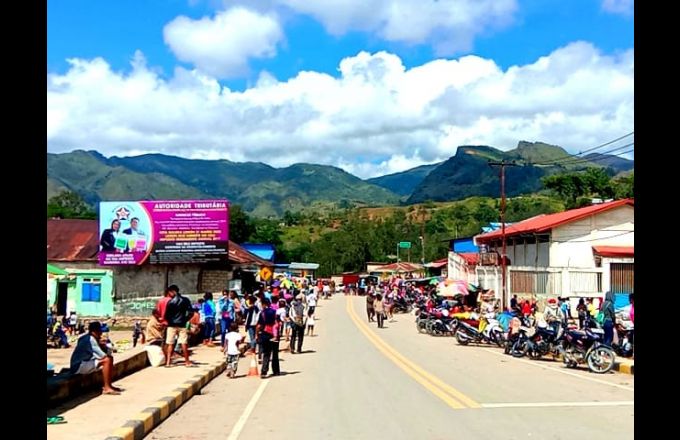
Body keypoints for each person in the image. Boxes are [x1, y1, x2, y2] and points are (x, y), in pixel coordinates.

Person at [70, 321, 121, 395]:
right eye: (100, 331)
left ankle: (109, 385)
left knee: (109, 359)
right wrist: (104, 346)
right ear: (96, 331)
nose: (101, 333)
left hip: (79, 363)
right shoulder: (91, 340)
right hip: (79, 365)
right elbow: (103, 356)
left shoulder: (84, 337)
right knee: (107, 360)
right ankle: (107, 387)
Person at [163, 285, 194, 367]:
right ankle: (187, 361)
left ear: (172, 291)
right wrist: (185, 319)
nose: (169, 294)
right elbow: (191, 312)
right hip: (182, 324)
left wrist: (170, 321)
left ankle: (168, 362)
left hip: (171, 325)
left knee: (170, 343)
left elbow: (166, 315)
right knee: (184, 343)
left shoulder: (170, 302)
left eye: (170, 292)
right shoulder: (185, 300)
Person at [256, 298, 280, 378]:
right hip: (275, 334)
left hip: (265, 334)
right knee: (275, 353)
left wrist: (257, 335)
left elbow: (259, 326)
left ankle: (264, 371)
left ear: (263, 304)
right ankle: (276, 371)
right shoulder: (275, 312)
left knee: (266, 353)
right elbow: (278, 323)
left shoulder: (262, 313)